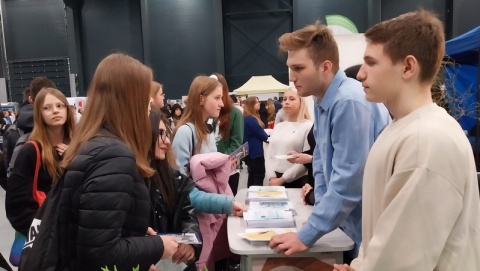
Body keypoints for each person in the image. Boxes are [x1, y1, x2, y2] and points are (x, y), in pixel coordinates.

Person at [334, 10, 480, 271]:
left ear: (408, 66)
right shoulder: (402, 128)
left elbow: (403, 260)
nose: (360, 74)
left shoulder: (428, 140)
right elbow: (383, 230)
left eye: (371, 63)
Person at [269, 21, 391, 262]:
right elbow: (323, 165)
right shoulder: (321, 98)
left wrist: (309, 232)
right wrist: (320, 220)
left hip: (370, 228)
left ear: (325, 67)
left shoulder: (347, 101)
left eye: (299, 68)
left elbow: (349, 180)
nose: (292, 77)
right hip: (346, 224)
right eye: (290, 68)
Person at [56, 53, 178, 270]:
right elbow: (99, 253)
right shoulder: (113, 156)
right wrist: (157, 245)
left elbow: (97, 229)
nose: (149, 110)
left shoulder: (93, 146)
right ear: (130, 102)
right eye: (146, 103)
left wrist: (138, 242)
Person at [6, 87, 75, 239]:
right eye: (47, 108)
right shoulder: (31, 151)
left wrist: (76, 159)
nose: (55, 111)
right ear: (39, 114)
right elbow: (16, 204)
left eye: (59, 106)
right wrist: (43, 233)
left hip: (75, 236)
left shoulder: (79, 147)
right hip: (46, 237)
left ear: (67, 109)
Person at [147, 111, 201, 271]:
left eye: (167, 134)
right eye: (160, 134)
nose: (167, 141)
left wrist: (190, 242)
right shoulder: (129, 179)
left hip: (174, 261)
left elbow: (188, 212)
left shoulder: (172, 177)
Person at [265, 88, 312, 188]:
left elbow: (306, 158)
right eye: (285, 99)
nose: (286, 102)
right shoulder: (278, 126)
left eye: (292, 99)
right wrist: (271, 176)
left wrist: (283, 179)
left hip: (298, 181)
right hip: (274, 179)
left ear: (301, 102)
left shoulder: (308, 126)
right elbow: (269, 154)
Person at [213, 73, 244, 196]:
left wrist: (218, 162)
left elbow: (236, 144)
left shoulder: (234, 113)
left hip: (228, 170)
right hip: (208, 171)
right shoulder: (206, 113)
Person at [242, 96, 269, 187]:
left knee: (253, 175)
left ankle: (251, 195)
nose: (259, 104)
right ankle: (255, 195)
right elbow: (263, 136)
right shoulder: (251, 119)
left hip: (250, 151)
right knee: (258, 175)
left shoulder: (248, 118)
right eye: (257, 102)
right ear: (252, 105)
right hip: (256, 152)